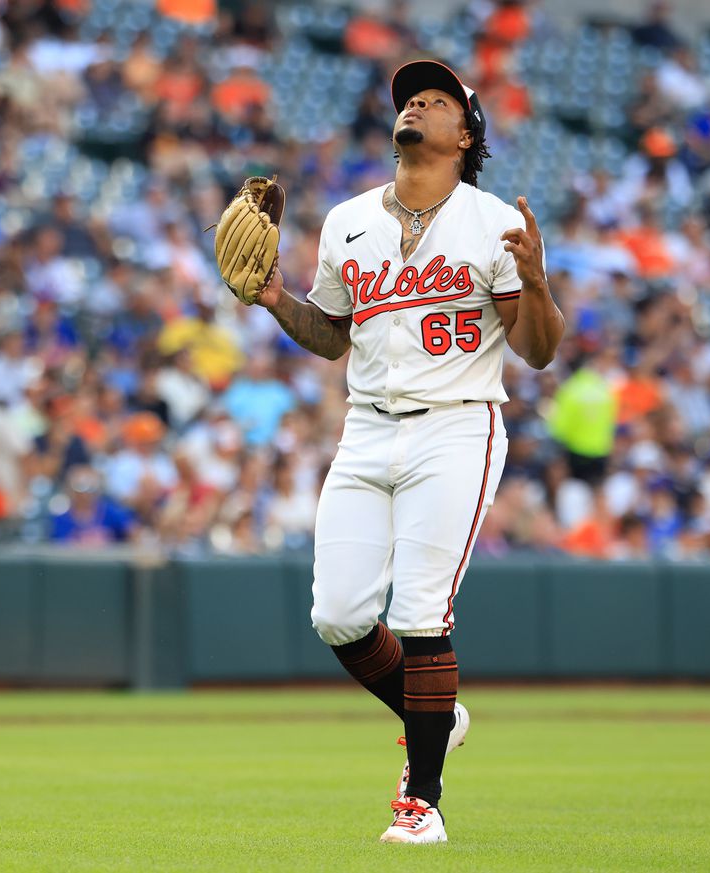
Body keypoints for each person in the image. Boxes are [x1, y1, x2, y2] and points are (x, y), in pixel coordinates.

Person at [243, 61, 562, 843]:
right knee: (339, 614)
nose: (417, 103)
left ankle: (423, 801)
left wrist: (538, 284)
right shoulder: (348, 219)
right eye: (410, 98)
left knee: (420, 611)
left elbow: (538, 351)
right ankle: (437, 713)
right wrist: (276, 297)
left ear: (466, 135)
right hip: (368, 424)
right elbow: (331, 335)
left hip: (457, 424)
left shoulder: (493, 223)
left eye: (439, 100)